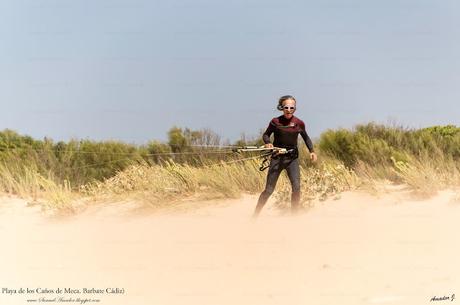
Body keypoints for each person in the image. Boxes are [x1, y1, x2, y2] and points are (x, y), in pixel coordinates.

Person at [253, 95, 317, 217]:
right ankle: (255, 215)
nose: (289, 110)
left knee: (296, 188)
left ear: (295, 109)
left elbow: (306, 138)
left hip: (292, 159)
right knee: (269, 190)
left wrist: (312, 151)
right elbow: (266, 135)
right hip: (277, 158)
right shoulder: (275, 122)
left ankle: (294, 217)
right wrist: (268, 143)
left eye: (292, 107)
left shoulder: (299, 123)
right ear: (281, 108)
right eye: (286, 107)